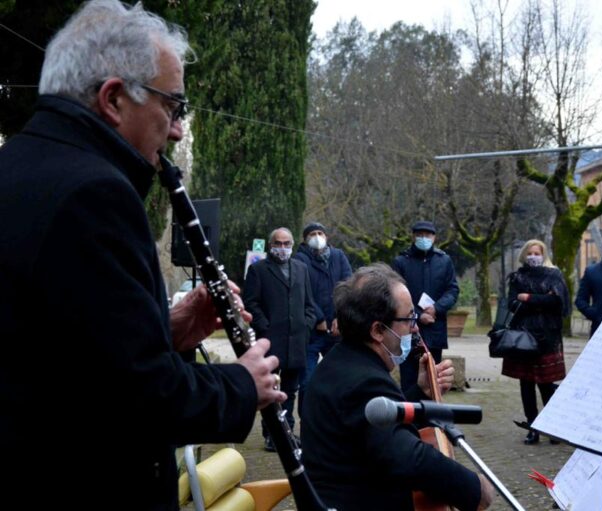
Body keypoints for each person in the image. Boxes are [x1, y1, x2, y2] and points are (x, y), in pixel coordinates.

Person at [0, 1, 285, 508]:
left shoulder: (16, 168)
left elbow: (66, 361)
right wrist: (243, 383)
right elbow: (140, 399)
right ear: (114, 99)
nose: (176, 129)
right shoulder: (94, 194)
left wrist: (165, 332)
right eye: (173, 106)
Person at [301, 263, 494, 510]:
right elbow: (409, 458)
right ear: (378, 330)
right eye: (409, 318)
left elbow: (376, 423)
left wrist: (420, 392)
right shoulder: (363, 381)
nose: (415, 327)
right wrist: (473, 488)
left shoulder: (343, 362)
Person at [244, 227, 315, 451]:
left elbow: (309, 303)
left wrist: (307, 324)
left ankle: (287, 431)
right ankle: (271, 434)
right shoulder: (258, 270)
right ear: (270, 244)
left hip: (296, 342)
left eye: (286, 243)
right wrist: (265, 326)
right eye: (278, 243)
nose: (282, 248)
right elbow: (251, 303)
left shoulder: (301, 269)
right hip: (271, 340)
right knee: (271, 390)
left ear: (292, 245)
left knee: (290, 391)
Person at [502, 240, 570, 445]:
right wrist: (542, 298)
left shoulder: (554, 275)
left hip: (548, 337)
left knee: (547, 384)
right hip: (523, 337)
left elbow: (558, 302)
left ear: (543, 254)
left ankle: (551, 427)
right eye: (529, 253)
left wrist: (529, 298)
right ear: (524, 255)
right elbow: (512, 303)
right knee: (526, 384)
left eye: (537, 253)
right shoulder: (517, 276)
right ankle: (532, 427)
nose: (533, 256)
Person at [393, 220, 459, 392]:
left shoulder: (444, 261)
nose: (424, 238)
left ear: (434, 237)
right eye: (420, 235)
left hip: (435, 327)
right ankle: (408, 416)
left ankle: (430, 415)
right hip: (408, 328)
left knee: (433, 377)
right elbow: (395, 292)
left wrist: (437, 308)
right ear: (413, 237)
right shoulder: (401, 261)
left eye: (427, 235)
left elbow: (452, 290)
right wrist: (418, 314)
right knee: (408, 379)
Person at [294, 221, 352, 411]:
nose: (317, 237)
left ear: (327, 236)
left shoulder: (338, 256)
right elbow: (303, 293)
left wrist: (339, 316)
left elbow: (348, 286)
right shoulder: (299, 260)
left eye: (320, 233)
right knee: (307, 383)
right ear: (305, 239)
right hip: (311, 332)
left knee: (339, 379)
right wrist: (319, 319)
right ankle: (307, 422)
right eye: (312, 234)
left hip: (336, 332)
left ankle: (335, 421)